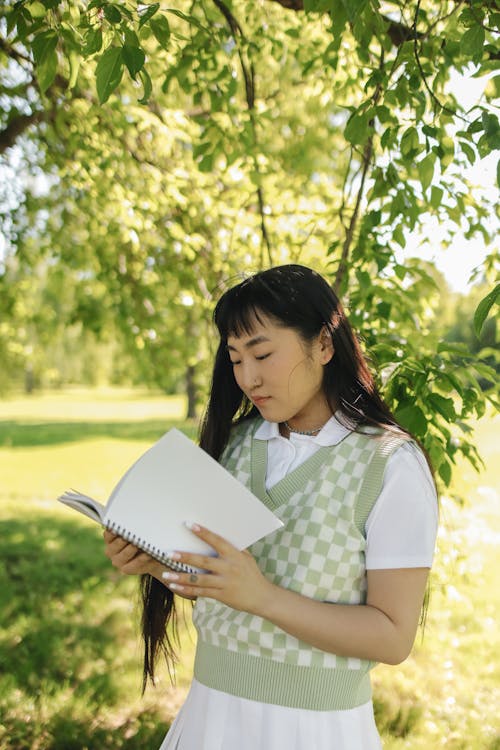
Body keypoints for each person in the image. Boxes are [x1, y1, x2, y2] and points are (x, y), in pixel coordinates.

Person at [104, 264, 438, 750]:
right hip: (210, 715)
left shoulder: (388, 465)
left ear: (324, 344)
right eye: (236, 359)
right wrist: (161, 563)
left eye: (262, 353)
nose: (248, 377)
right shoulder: (235, 444)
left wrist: (262, 596)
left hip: (313, 730)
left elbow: (392, 637)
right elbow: (224, 589)